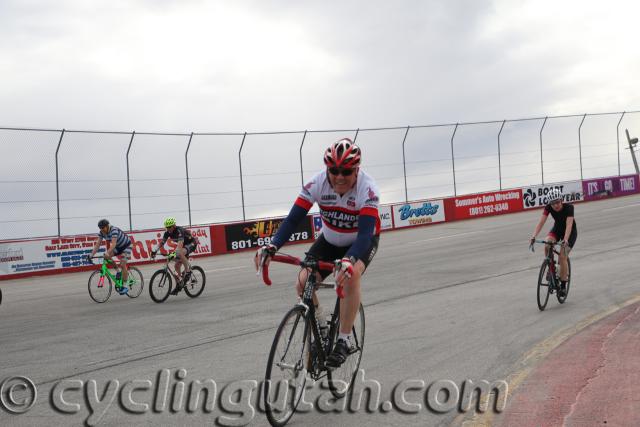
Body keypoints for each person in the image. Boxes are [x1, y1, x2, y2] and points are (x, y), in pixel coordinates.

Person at [254, 138, 381, 368]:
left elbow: (364, 236)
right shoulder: (317, 183)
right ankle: (321, 328)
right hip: (330, 239)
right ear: (327, 169)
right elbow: (293, 219)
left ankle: (343, 340)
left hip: (360, 241)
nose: (340, 176)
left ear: (357, 170)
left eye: (346, 171)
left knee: (350, 275)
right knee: (303, 282)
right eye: (334, 170)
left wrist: (349, 260)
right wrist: (273, 246)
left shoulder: (368, 188)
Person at [530, 188, 577, 296]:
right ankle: (550, 267)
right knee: (547, 244)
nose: (555, 205)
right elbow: (541, 222)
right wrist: (534, 236)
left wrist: (565, 240)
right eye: (552, 203)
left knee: (562, 256)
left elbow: (569, 225)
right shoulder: (548, 208)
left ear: (561, 200)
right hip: (557, 230)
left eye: (557, 202)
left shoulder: (569, 208)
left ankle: (563, 286)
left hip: (570, 233)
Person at [151, 217, 198, 295]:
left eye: (169, 227)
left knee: (179, 252)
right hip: (183, 246)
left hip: (191, 243)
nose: (168, 229)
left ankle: (188, 272)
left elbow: (179, 247)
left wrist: (173, 254)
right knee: (176, 266)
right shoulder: (167, 233)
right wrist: (154, 251)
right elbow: (162, 243)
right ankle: (179, 284)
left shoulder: (179, 231)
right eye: (167, 227)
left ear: (174, 226)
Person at [87, 219, 133, 294]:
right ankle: (118, 272)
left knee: (122, 264)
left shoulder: (113, 230)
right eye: (100, 228)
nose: (102, 230)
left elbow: (113, 244)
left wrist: (107, 252)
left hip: (126, 246)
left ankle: (125, 286)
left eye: (103, 228)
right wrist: (91, 255)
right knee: (106, 257)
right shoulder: (102, 232)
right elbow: (98, 244)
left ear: (107, 226)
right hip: (118, 247)